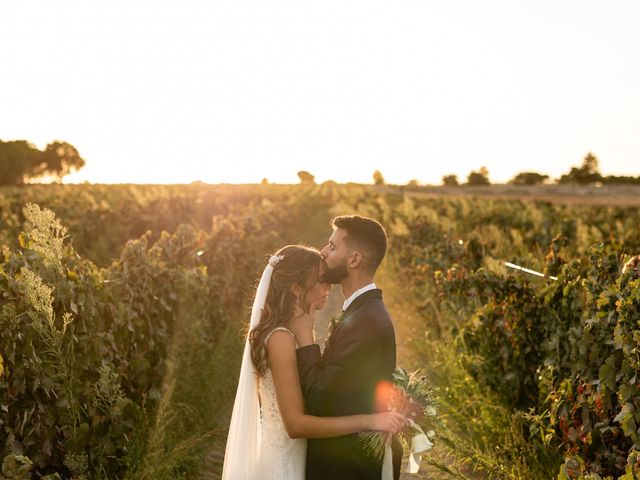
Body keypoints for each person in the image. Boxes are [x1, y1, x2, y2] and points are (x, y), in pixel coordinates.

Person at [221, 244, 405, 480]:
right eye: (321, 280)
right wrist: (369, 420)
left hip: (300, 461)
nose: (328, 287)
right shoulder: (280, 339)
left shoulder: (291, 334)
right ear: (297, 288)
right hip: (283, 466)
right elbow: (296, 425)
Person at [292, 215, 403, 480]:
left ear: (354, 259)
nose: (323, 252)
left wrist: (305, 338)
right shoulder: (364, 310)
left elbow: (319, 400)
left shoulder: (364, 320)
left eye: (332, 247)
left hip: (346, 466)